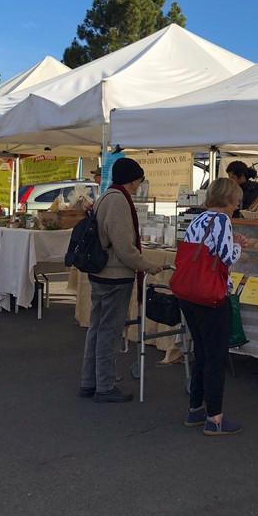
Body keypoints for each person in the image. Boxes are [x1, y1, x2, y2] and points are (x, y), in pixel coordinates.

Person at [79, 157, 163, 403]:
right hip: (114, 276)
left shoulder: (107, 196)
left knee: (97, 330)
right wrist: (148, 266)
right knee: (108, 332)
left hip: (101, 274)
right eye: (138, 180)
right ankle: (104, 386)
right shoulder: (118, 201)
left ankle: (90, 382)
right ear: (132, 179)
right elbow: (124, 248)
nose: (139, 186)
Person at [179, 177, 247, 435]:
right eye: (236, 201)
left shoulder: (198, 218)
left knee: (202, 353)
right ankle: (215, 418)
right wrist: (240, 245)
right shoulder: (222, 220)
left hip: (190, 293)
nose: (236, 206)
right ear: (228, 199)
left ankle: (195, 409)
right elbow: (227, 257)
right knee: (215, 357)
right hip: (212, 295)